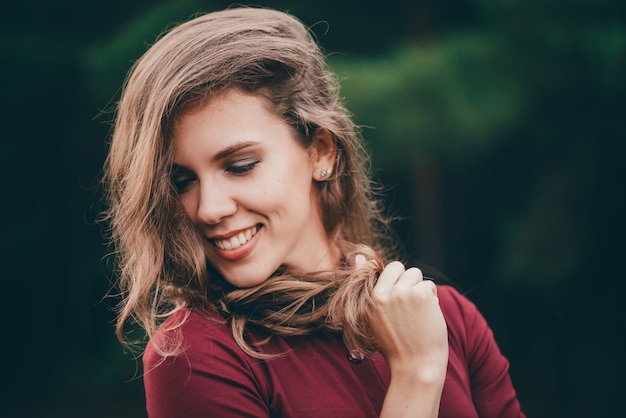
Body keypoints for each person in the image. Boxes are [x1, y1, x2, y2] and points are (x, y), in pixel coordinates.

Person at [102, 6, 525, 418]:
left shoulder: (447, 318)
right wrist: (416, 375)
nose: (209, 209)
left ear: (321, 151)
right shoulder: (195, 357)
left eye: (240, 166)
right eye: (182, 181)